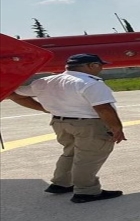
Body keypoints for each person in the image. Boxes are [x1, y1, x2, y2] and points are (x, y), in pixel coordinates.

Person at [8, 53, 126, 203]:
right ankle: (86, 191)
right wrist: (117, 128)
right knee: (89, 158)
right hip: (89, 125)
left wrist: (44, 108)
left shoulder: (46, 81)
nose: (101, 68)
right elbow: (103, 108)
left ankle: (61, 183)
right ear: (91, 65)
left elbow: (15, 94)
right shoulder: (89, 83)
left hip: (60, 123)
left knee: (70, 153)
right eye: (100, 65)